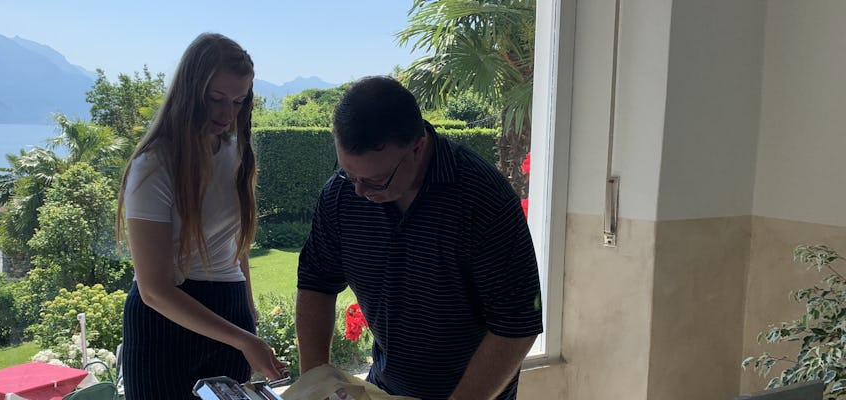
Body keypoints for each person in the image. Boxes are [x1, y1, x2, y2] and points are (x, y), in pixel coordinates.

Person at [296, 76, 542, 400]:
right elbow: (317, 283)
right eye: (348, 173)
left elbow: (516, 325)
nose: (360, 191)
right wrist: (316, 386)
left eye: (377, 180)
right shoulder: (341, 195)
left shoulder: (482, 199)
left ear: (418, 146)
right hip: (385, 389)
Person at [116, 33, 284, 399]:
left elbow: (235, 248)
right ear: (190, 92)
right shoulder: (154, 166)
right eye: (216, 99)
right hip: (164, 326)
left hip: (230, 310)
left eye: (239, 101)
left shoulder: (237, 153)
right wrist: (243, 338)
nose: (228, 114)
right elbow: (155, 290)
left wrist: (249, 316)